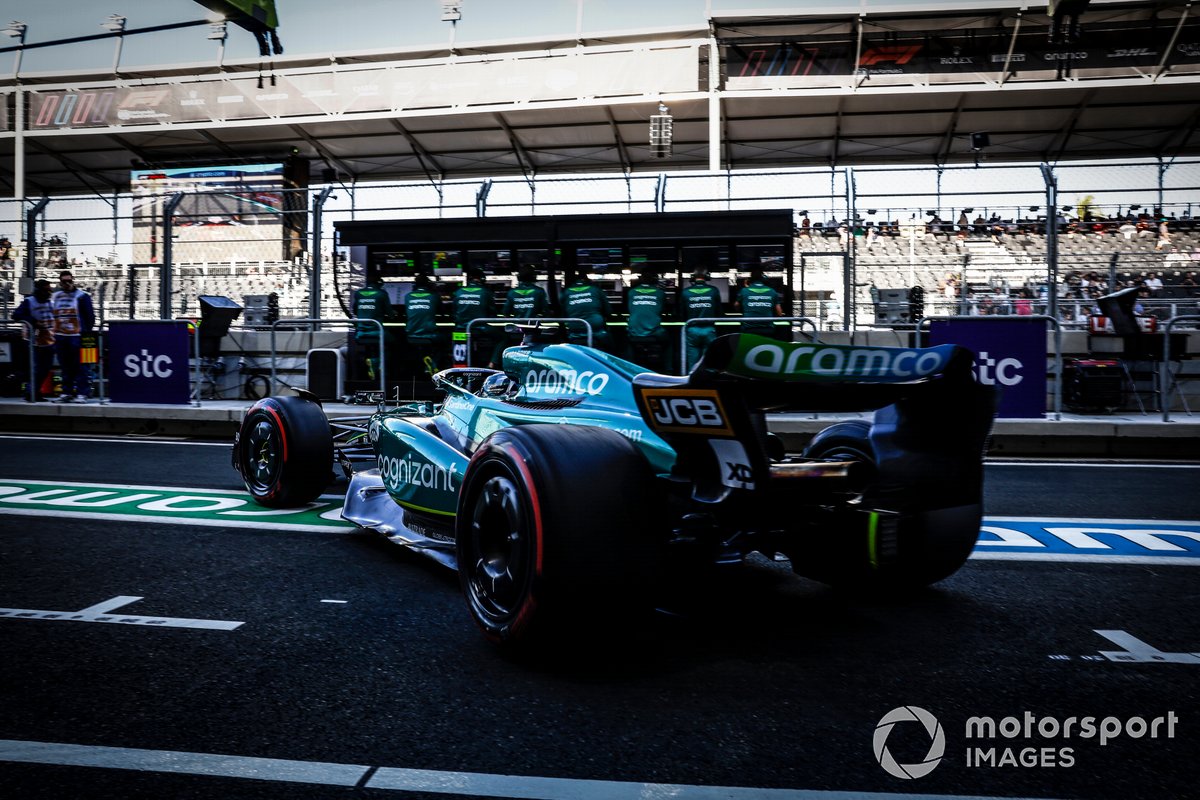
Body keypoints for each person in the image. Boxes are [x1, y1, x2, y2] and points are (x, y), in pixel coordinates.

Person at [50, 270, 95, 403]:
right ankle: (67, 392)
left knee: (82, 365)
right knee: (65, 366)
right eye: (64, 281)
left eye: (69, 281)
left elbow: (90, 317)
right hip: (61, 336)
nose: (67, 283)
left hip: (78, 336)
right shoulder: (55, 296)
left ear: (73, 280)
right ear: (60, 282)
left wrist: (85, 332)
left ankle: (82, 393)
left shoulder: (82, 296)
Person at [12, 279, 57, 402]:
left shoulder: (50, 303)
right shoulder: (29, 302)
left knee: (45, 369)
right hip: (33, 342)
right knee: (35, 369)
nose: (49, 292)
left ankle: (35, 392)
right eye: (46, 290)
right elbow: (16, 315)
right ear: (39, 290)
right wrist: (33, 322)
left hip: (48, 340)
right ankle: (30, 393)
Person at [351, 274, 398, 382]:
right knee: (394, 342)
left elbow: (355, 311)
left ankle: (372, 362)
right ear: (379, 283)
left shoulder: (358, 293)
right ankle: (379, 366)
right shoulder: (382, 294)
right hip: (377, 332)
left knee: (373, 346)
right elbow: (390, 314)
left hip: (361, 333)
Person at [624, 270, 669, 371]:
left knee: (628, 340)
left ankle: (628, 369)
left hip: (634, 332)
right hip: (654, 333)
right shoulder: (660, 293)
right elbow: (662, 310)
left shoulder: (631, 292)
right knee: (670, 341)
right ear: (654, 280)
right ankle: (668, 370)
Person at [451, 267, 496, 367]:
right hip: (482, 329)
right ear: (482, 279)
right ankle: (492, 364)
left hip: (460, 330)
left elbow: (453, 313)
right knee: (503, 337)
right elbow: (493, 313)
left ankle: (460, 371)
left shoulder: (458, 292)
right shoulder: (486, 292)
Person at [680, 268, 723, 371]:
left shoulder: (685, 292)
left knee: (693, 363)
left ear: (693, 278)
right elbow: (720, 312)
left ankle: (693, 382)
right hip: (709, 330)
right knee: (709, 361)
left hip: (692, 330)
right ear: (707, 277)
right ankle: (710, 383)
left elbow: (681, 313)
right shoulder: (714, 290)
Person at [562, 267, 612, 351]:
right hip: (597, 332)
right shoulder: (596, 289)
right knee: (611, 347)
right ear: (587, 279)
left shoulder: (566, 292)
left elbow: (563, 314)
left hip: (575, 332)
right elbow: (608, 311)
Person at [404, 273, 444, 375]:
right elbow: (441, 311)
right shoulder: (433, 296)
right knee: (446, 340)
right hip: (429, 334)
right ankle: (433, 364)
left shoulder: (407, 297)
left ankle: (417, 367)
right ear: (428, 284)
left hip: (411, 335)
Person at [735, 268, 783, 338]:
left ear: (750, 279)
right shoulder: (772, 291)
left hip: (748, 329)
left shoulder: (744, 291)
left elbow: (736, 306)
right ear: (763, 279)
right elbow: (779, 313)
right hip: (768, 330)